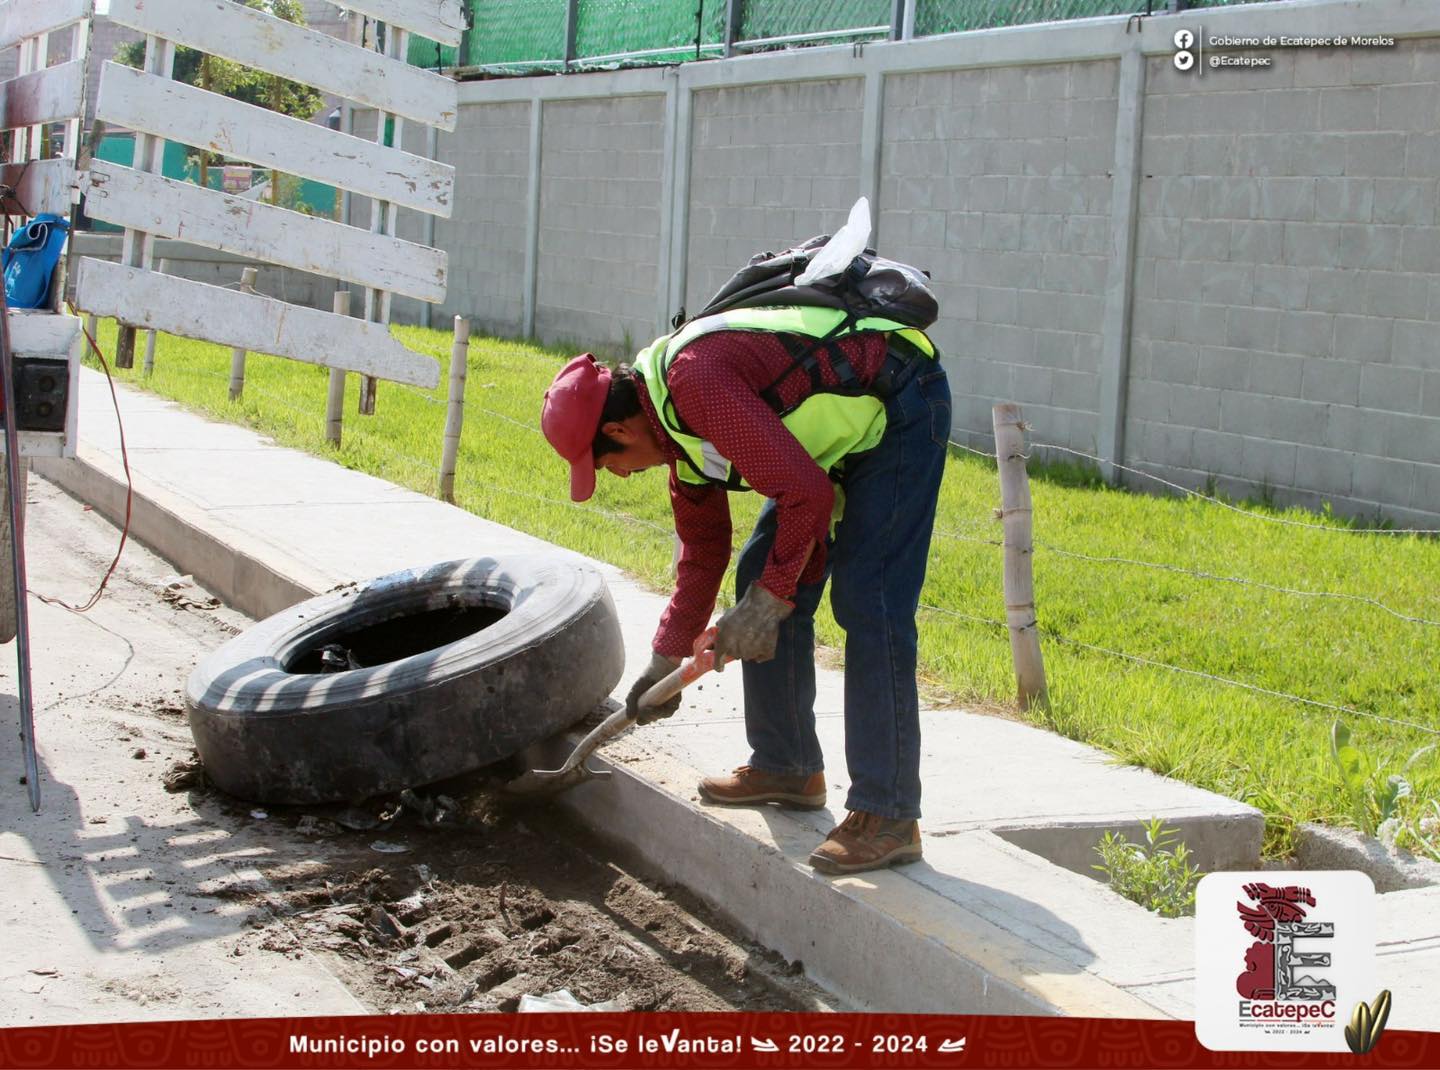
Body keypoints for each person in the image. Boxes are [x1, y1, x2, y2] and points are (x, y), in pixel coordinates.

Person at [540, 304, 950, 874]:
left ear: (619, 429)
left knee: (870, 599)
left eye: (607, 464)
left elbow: (805, 494)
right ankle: (788, 765)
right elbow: (703, 554)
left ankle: (889, 813)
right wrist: (664, 660)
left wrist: (767, 604)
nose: (621, 475)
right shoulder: (675, 435)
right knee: (760, 568)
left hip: (897, 397)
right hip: (838, 432)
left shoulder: (696, 386)